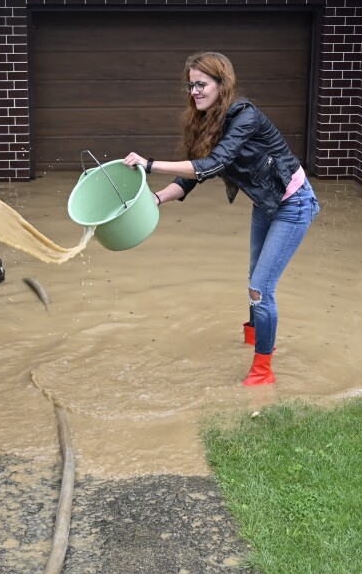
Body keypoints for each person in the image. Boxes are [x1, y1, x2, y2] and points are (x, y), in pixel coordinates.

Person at [123, 51, 319, 386]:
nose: (195, 92)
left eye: (201, 84)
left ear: (221, 85)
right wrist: (156, 199)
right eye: (190, 86)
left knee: (260, 288)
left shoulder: (245, 116)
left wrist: (150, 164)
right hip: (265, 203)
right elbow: (190, 177)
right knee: (254, 279)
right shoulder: (204, 121)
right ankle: (255, 335)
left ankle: (263, 372)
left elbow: (212, 164)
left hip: (293, 203)